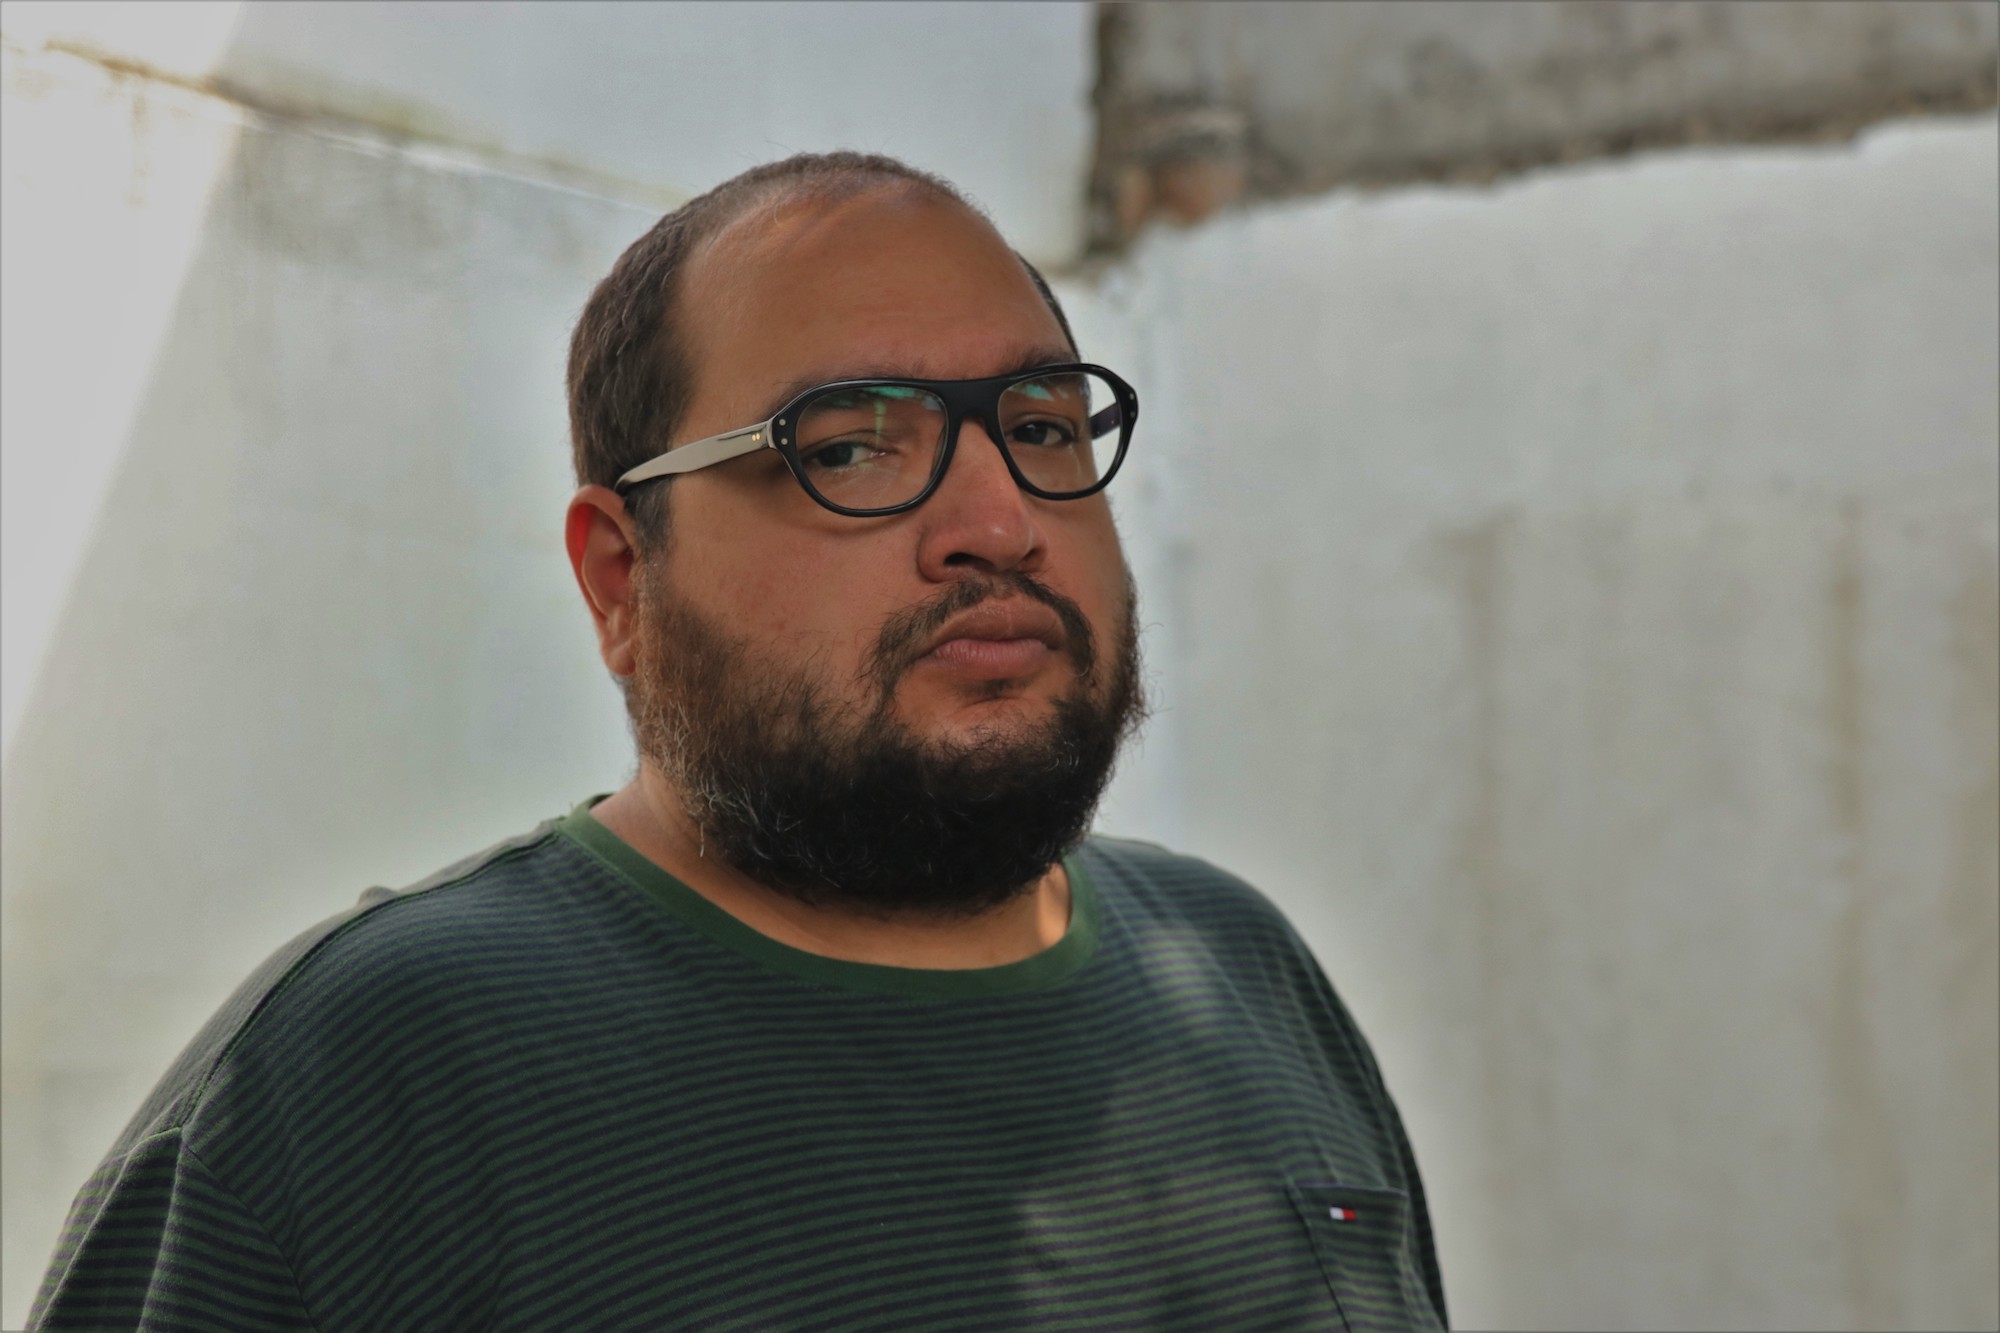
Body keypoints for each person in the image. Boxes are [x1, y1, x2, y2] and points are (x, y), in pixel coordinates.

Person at [31, 152, 1447, 1332]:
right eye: (848, 446)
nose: (999, 520)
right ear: (622, 579)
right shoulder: (379, 1068)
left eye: (1041, 424)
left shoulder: (1246, 974)